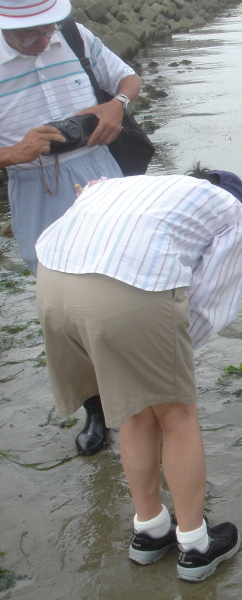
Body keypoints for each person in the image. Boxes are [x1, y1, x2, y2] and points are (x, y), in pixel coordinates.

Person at [35, 168, 242, 582]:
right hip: (123, 290)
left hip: (52, 280)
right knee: (176, 415)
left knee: (135, 410)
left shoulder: (126, 186)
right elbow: (212, 304)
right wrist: (170, 358)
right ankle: (195, 546)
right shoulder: (235, 212)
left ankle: (150, 530)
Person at [0, 0, 143, 455]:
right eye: (29, 36)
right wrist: (11, 153)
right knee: (60, 303)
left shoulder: (74, 34)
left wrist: (116, 107)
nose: (44, 40)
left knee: (126, 280)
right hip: (33, 183)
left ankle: (139, 394)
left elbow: (128, 78)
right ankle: (96, 406)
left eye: (47, 30)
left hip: (99, 168)